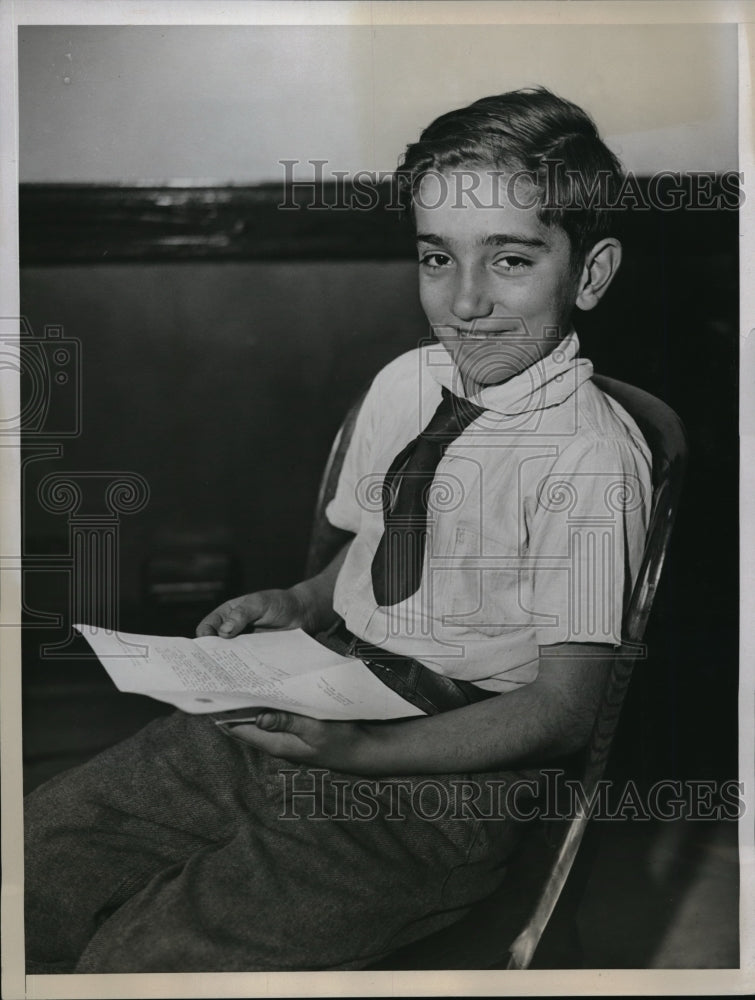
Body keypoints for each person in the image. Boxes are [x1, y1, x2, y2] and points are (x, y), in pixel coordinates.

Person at [24, 86, 652, 973]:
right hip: (328, 691)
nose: (464, 301)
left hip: (440, 784)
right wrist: (298, 599)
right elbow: (376, 548)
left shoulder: (588, 460)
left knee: (150, 962)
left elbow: (561, 711)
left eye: (509, 260)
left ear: (588, 273)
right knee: (42, 855)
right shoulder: (406, 382)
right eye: (437, 257)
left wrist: (366, 753)